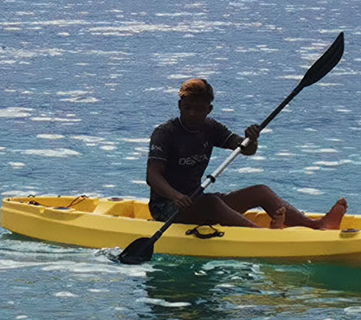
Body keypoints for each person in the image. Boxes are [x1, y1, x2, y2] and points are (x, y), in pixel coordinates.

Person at [146, 78, 347, 230]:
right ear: (180, 105)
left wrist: (251, 138)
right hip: (168, 207)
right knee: (212, 202)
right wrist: (176, 196)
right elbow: (153, 176)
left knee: (260, 190)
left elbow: (245, 149)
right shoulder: (165, 133)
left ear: (209, 109)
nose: (192, 113)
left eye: (199, 109)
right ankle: (261, 236)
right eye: (187, 107)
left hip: (198, 201)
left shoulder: (210, 127)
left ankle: (316, 226)